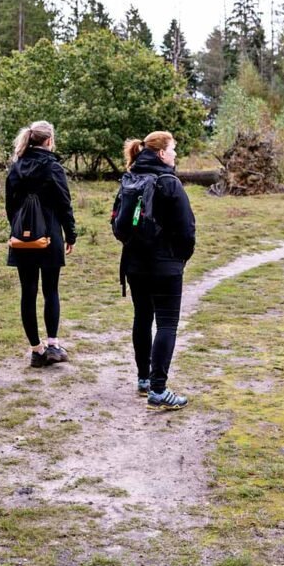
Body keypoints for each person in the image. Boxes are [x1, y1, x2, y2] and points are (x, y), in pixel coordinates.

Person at [119, 131, 196, 410]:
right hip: (165, 266)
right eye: (173, 149)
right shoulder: (169, 182)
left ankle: (143, 379)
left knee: (142, 316)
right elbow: (187, 229)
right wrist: (180, 259)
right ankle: (158, 389)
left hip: (134, 264)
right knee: (166, 324)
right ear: (162, 153)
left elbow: (117, 223)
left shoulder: (130, 178)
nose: (175, 154)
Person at [5, 120, 77, 367]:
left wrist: (19, 231)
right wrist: (71, 234)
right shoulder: (53, 167)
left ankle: (36, 350)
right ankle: (54, 346)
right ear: (49, 140)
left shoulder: (16, 167)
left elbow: (10, 206)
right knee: (51, 290)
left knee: (27, 292)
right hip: (49, 236)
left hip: (22, 238)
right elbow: (64, 203)